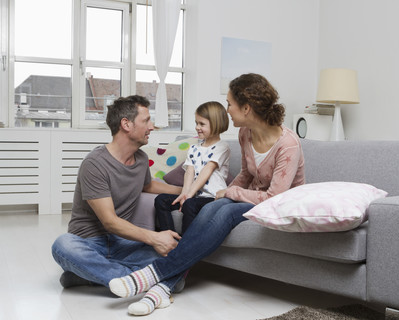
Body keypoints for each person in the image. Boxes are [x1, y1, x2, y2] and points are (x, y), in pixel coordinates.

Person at [108, 73, 305, 316]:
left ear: (246, 107)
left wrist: (232, 192)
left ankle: (152, 274)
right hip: (252, 197)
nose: (228, 110)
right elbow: (245, 174)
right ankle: (161, 289)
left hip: (277, 204)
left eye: (230, 104)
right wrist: (225, 192)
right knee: (213, 206)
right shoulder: (246, 134)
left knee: (226, 210)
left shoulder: (288, 144)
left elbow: (274, 196)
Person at [51, 95, 184, 291]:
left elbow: (148, 186)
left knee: (178, 271)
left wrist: (187, 190)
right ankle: (130, 279)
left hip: (123, 244)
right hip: (89, 243)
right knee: (62, 245)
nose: (152, 127)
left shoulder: (140, 159)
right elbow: (110, 222)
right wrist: (155, 238)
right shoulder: (95, 164)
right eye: (146, 120)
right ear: (126, 124)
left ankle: (89, 276)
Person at [155, 101, 230, 235]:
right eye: (196, 123)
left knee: (189, 205)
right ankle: (170, 238)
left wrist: (188, 197)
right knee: (161, 200)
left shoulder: (222, 147)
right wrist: (185, 194)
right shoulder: (194, 148)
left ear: (216, 124)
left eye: (202, 124)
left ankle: (186, 247)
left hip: (213, 198)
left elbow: (207, 170)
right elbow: (189, 172)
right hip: (194, 196)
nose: (197, 127)